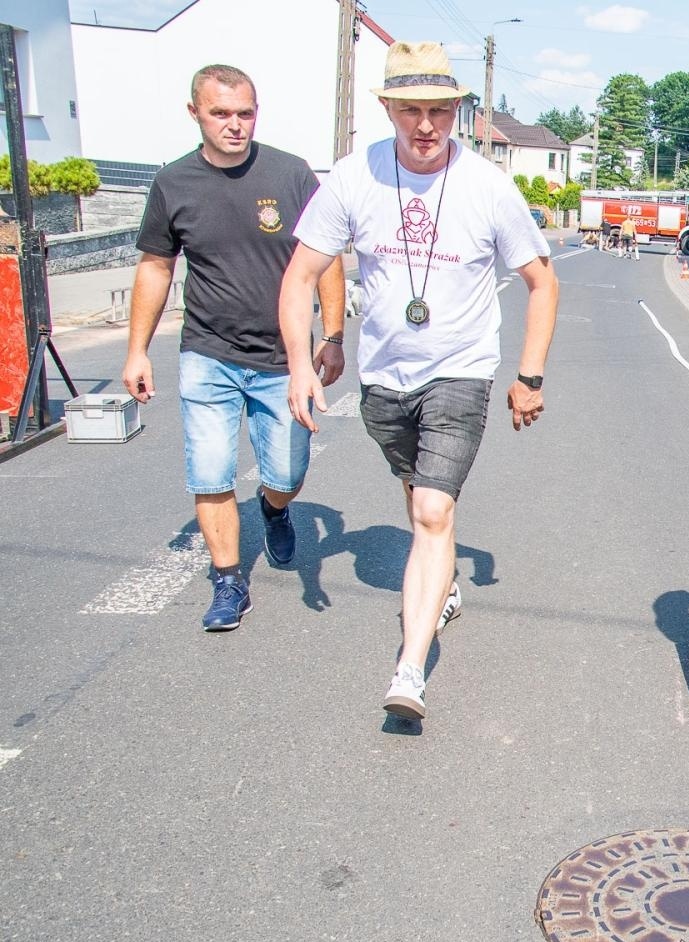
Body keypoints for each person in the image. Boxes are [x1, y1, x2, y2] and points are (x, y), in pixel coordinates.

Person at [278, 41, 560, 720]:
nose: (427, 125)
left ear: (458, 110)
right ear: (388, 109)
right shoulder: (353, 178)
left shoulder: (489, 186)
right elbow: (301, 275)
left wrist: (529, 374)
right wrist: (302, 359)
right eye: (411, 111)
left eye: (440, 110)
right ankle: (445, 577)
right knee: (421, 499)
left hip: (460, 371)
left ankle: (410, 668)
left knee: (431, 511)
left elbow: (541, 281)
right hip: (383, 377)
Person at [120, 64, 345, 633]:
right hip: (207, 352)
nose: (235, 124)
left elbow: (328, 257)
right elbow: (156, 266)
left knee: (287, 471)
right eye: (221, 112)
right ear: (194, 112)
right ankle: (228, 582)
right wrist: (137, 350)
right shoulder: (174, 183)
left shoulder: (290, 174)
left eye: (245, 112)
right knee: (211, 472)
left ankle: (273, 509)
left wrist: (334, 337)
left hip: (282, 360)